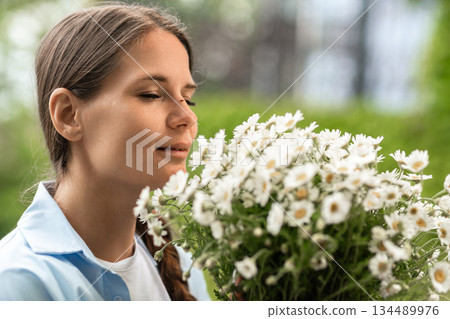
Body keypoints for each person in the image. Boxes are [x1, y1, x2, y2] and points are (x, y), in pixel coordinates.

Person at [0, 2, 210, 301]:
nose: (187, 118)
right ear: (69, 115)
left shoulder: (185, 269)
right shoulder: (17, 282)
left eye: (188, 99)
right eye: (150, 94)